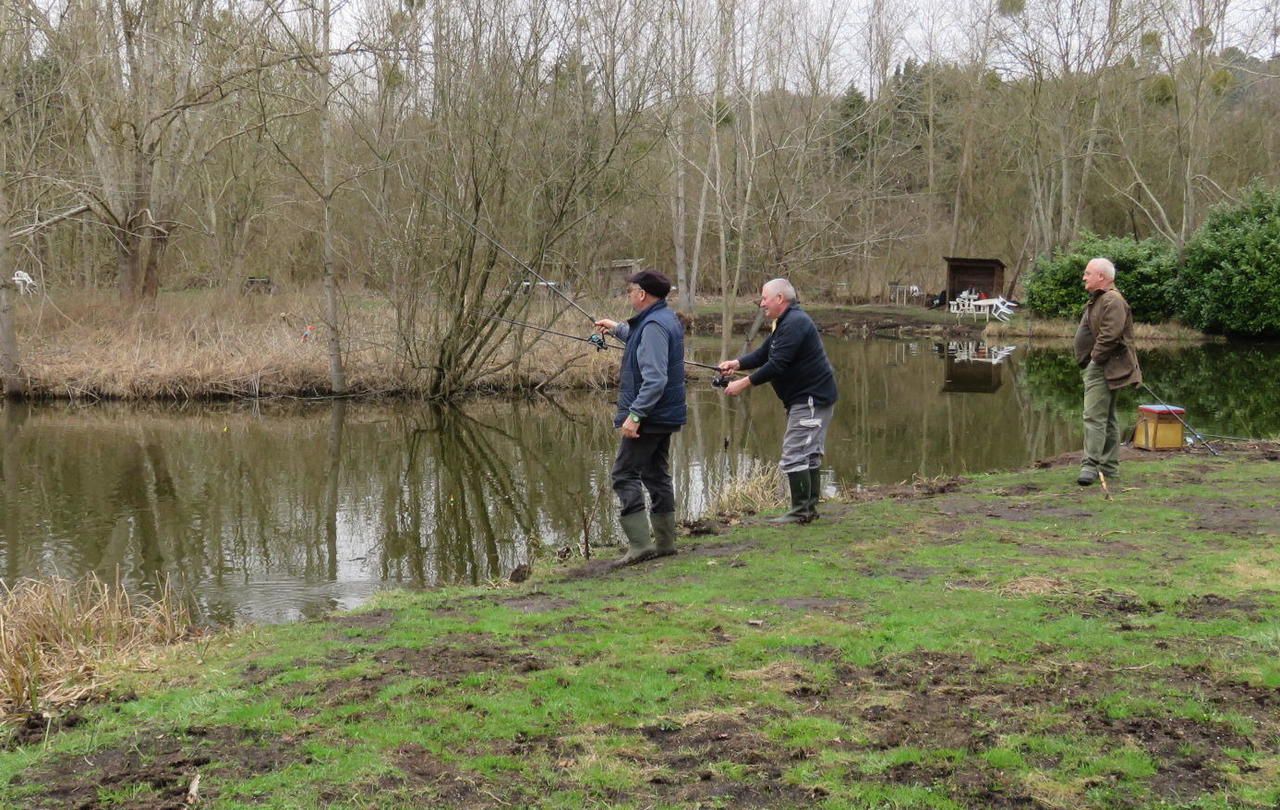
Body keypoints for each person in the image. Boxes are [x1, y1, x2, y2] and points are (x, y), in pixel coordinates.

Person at [717, 278, 838, 523]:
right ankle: (808, 509)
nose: (761, 303)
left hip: (811, 399)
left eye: (764, 298)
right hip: (808, 398)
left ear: (779, 299)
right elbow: (765, 353)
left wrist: (743, 383)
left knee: (795, 453)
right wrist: (737, 364)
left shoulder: (795, 323)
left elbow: (777, 365)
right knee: (809, 453)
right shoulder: (785, 322)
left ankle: (801, 511)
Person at [594, 270, 687, 566]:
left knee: (624, 474)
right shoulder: (661, 319)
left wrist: (635, 415)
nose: (629, 295)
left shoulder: (653, 327)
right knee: (656, 474)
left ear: (643, 294)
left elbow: (655, 379)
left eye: (631, 291)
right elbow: (640, 338)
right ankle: (665, 543)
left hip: (650, 415)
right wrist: (616, 328)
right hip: (662, 414)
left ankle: (640, 546)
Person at [1074, 257, 1143, 486]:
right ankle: (1109, 467)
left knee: (1093, 416)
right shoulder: (1100, 299)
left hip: (1103, 368)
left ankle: (1090, 466)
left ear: (1101, 277)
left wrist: (1094, 361)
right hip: (1102, 367)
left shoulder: (1113, 300)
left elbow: (1110, 336)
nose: (1084, 277)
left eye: (1087, 273)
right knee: (1109, 417)